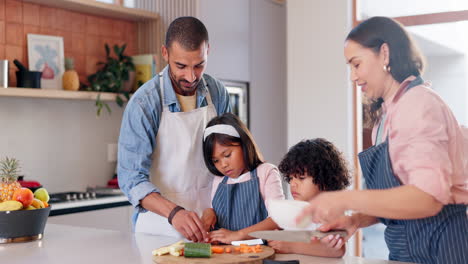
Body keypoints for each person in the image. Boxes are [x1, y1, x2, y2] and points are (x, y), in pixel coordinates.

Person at [296, 16, 468, 263]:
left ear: (384, 54)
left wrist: (341, 198)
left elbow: (426, 198)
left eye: (357, 64)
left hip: (443, 247)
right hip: (404, 251)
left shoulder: (419, 103)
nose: (353, 77)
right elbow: (395, 198)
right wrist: (355, 220)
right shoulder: (384, 120)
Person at [117, 16, 231, 242]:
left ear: (208, 51)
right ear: (165, 53)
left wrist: (214, 207)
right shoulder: (144, 103)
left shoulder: (217, 93)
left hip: (212, 224)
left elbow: (232, 159)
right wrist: (174, 212)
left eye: (199, 65)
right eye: (181, 66)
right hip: (159, 227)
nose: (191, 77)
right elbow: (131, 179)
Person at [200, 113, 285, 244]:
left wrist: (238, 235)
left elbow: (278, 219)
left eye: (227, 155)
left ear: (244, 144)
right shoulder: (219, 180)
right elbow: (216, 212)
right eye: (216, 160)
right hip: (225, 254)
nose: (223, 165)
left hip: (259, 251)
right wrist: (209, 212)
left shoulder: (266, 172)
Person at [268, 138, 350, 257]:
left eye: (301, 178)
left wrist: (289, 245)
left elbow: (337, 250)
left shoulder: (331, 211)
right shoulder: (297, 209)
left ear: (325, 179)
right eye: (291, 178)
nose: (293, 184)